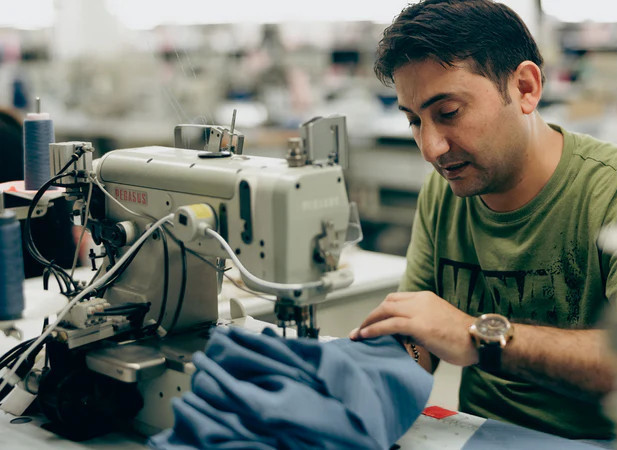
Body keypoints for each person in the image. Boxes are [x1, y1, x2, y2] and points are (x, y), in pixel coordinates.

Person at [349, 0, 617, 440]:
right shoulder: (447, 188)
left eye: (449, 113)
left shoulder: (606, 193)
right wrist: (377, 365)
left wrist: (479, 336)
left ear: (526, 88)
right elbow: (421, 343)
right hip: (478, 434)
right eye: (415, 121)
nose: (431, 148)